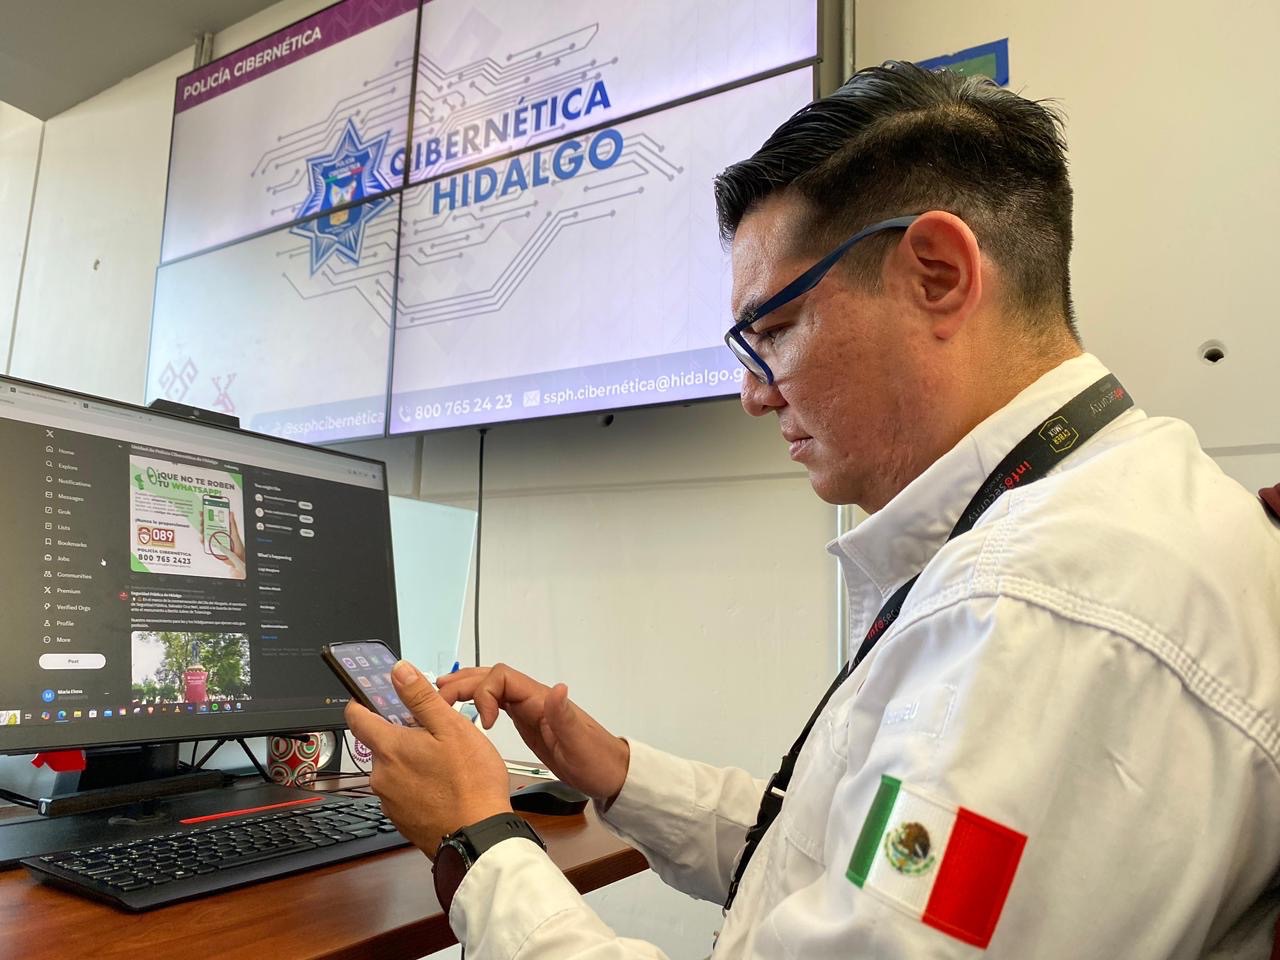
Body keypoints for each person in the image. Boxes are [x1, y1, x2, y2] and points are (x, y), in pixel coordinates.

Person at [345, 62, 1280, 958]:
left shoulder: (1045, 611)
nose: (755, 395)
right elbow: (844, 867)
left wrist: (479, 843)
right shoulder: (1092, 521)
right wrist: (616, 771)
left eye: (776, 330)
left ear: (939, 275)